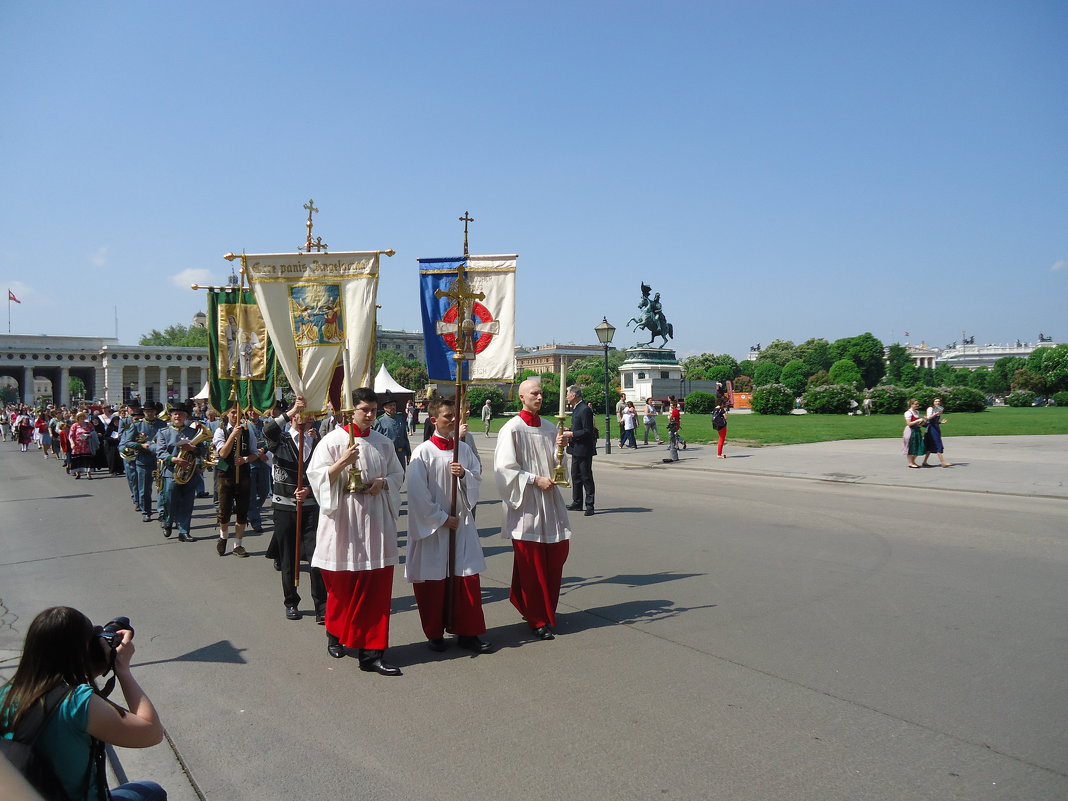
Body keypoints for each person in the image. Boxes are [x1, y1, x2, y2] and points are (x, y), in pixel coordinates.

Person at [0, 607, 166, 801]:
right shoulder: (77, 703)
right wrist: (122, 668)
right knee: (151, 791)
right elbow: (151, 733)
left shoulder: (7, 695)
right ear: (82, 654)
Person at [307, 387, 404, 676]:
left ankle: (371, 653)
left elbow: (398, 474)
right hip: (344, 521)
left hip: (374, 522)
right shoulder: (332, 441)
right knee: (343, 586)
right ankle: (336, 633)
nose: (371, 415)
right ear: (352, 410)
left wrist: (383, 482)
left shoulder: (383, 443)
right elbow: (316, 478)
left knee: (375, 588)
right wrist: (341, 464)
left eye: (374, 410)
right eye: (365, 410)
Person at [405, 396, 492, 653]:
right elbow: (417, 495)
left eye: (455, 415)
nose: (454, 420)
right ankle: (435, 633)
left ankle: (468, 632)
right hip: (434, 529)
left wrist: (464, 475)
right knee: (434, 583)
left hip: (461, 525)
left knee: (466, 578)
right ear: (433, 421)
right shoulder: (423, 453)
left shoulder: (462, 450)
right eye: (448, 417)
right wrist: (443, 519)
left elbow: (476, 476)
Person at [494, 378, 572, 640]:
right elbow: (504, 469)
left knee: (556, 554)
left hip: (549, 501)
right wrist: (533, 479)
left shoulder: (550, 428)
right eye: (534, 393)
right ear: (522, 397)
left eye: (541, 393)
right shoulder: (512, 428)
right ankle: (538, 619)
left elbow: (554, 465)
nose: (539, 397)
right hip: (526, 503)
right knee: (532, 562)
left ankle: (541, 608)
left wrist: (560, 450)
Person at [263, 396, 326, 622]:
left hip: (311, 508)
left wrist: (309, 489)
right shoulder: (280, 440)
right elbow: (268, 430)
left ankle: (322, 606)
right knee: (289, 558)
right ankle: (291, 602)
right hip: (285, 507)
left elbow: (325, 473)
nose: (303, 417)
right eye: (299, 414)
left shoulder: (318, 443)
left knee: (317, 557)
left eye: (306, 413)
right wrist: (291, 411)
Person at [152, 403, 206, 542]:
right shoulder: (164, 432)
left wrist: (193, 449)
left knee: (187, 503)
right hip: (171, 472)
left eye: (181, 414)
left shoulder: (193, 432)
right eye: (175, 414)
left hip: (189, 473)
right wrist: (173, 459)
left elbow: (202, 450)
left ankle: (184, 531)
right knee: (170, 501)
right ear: (171, 416)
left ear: (186, 416)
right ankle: (168, 522)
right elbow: (160, 452)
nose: (178, 416)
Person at [212, 406, 259, 557]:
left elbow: (255, 453)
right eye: (232, 412)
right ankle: (223, 537)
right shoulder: (221, 431)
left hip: (243, 474)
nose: (235, 415)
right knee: (224, 511)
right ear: (227, 414)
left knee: (242, 511)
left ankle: (238, 545)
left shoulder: (248, 430)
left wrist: (245, 459)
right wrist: (233, 435)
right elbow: (223, 453)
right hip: (225, 475)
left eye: (238, 412)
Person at [563, 385, 596, 516]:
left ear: (574, 395)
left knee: (586, 477)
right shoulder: (577, 409)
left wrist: (571, 434)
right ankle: (577, 502)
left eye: (567, 394)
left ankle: (589, 505)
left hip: (584, 449)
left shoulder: (585, 410)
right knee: (575, 476)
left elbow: (588, 431)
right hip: (576, 448)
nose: (566, 396)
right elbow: (578, 427)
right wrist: (569, 429)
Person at [131, 403, 166, 523]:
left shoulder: (162, 424)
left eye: (152, 411)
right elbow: (127, 442)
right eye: (147, 411)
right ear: (144, 412)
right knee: (145, 489)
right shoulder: (137, 425)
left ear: (155, 412)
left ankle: (162, 511)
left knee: (161, 488)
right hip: (144, 460)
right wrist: (140, 445)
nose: (150, 413)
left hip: (159, 460)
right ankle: (146, 511)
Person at [371, 390, 412, 472]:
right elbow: (377, 440)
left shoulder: (400, 418)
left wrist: (408, 453)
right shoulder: (380, 421)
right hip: (387, 455)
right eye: (390, 405)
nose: (393, 407)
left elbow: (404, 437)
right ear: (385, 407)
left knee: (401, 477)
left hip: (400, 454)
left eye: (394, 405)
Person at [921, 397, 953, 468]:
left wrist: (940, 422)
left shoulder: (938, 409)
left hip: (935, 428)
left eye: (938, 401)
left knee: (930, 446)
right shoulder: (930, 409)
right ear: (933, 402)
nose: (937, 403)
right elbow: (928, 418)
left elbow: (934, 421)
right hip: (931, 429)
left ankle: (924, 462)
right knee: (937, 443)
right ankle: (943, 462)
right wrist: (936, 413)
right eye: (936, 401)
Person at [68, 412, 96, 478]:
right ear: (78, 418)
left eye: (83, 417)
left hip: (87, 444)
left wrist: (88, 435)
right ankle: (78, 473)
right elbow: (70, 436)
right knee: (77, 459)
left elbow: (93, 432)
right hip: (77, 445)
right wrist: (72, 443)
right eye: (81, 417)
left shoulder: (89, 425)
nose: (82, 418)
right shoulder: (74, 425)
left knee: (87, 459)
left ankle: (88, 473)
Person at [903, 398, 926, 468]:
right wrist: (918, 420)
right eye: (915, 404)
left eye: (917, 404)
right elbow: (909, 423)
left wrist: (923, 421)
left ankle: (913, 461)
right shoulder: (908, 413)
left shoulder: (917, 412)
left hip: (916, 430)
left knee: (918, 446)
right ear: (911, 404)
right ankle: (910, 462)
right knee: (910, 446)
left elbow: (918, 424)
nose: (917, 405)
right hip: (910, 431)